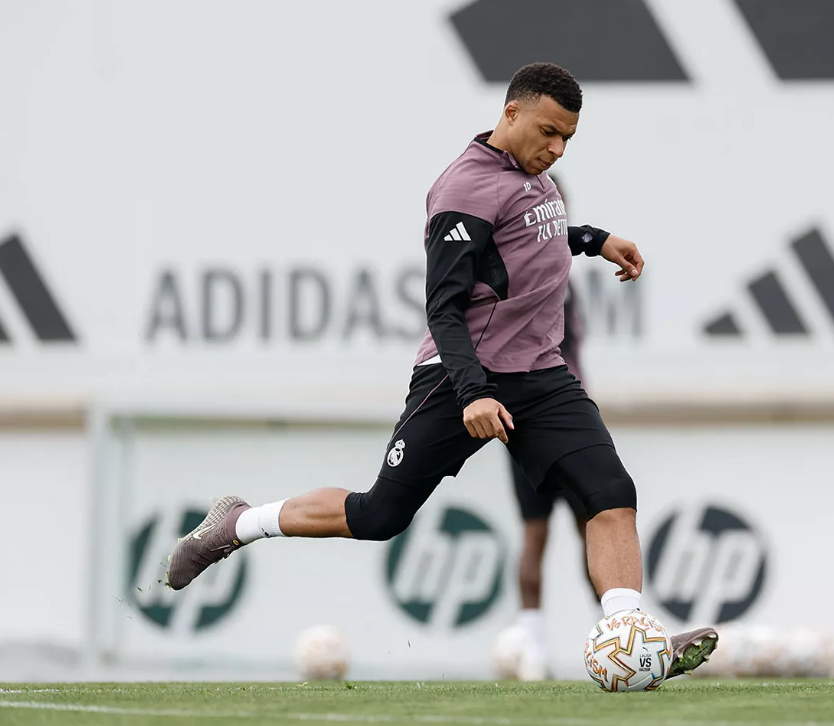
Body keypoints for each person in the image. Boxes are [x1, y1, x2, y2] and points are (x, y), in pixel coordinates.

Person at [167, 62, 718, 679]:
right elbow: (444, 308)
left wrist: (595, 239)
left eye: (567, 138)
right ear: (510, 114)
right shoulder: (463, 189)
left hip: (542, 375)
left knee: (613, 495)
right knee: (379, 516)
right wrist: (473, 393)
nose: (556, 148)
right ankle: (237, 523)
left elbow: (535, 238)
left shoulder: (535, 172)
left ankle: (633, 639)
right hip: (460, 376)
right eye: (548, 132)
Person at [502, 175, 597, 681]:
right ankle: (540, 643)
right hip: (552, 416)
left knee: (580, 530)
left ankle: (602, 633)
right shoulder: (539, 275)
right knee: (561, 531)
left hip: (535, 418)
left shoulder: (548, 273)